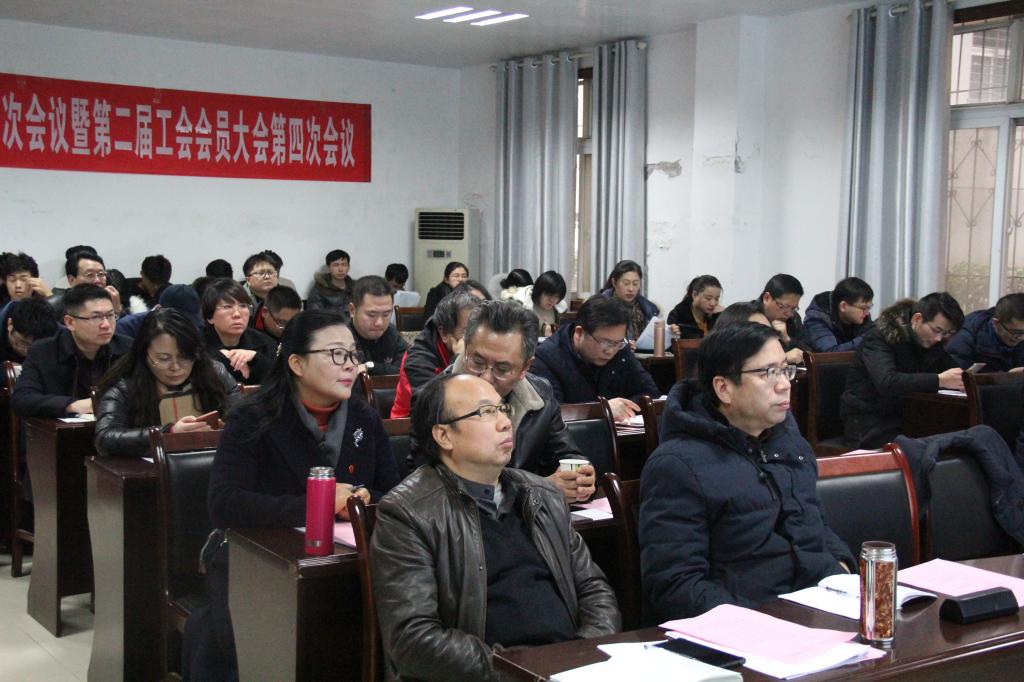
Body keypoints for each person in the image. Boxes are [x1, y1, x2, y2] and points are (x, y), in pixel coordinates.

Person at [372, 373, 620, 681]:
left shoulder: (542, 495)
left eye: (503, 409)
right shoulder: (408, 512)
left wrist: (582, 656)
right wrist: (520, 671)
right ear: (444, 436)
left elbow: (595, 591)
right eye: (486, 412)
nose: (505, 422)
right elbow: (414, 640)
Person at [198, 310, 401, 679]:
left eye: (353, 354)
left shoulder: (363, 416)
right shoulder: (252, 417)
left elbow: (392, 491)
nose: (350, 365)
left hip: (347, 564)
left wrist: (365, 498)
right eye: (336, 354)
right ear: (296, 363)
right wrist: (318, 505)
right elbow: (224, 504)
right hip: (259, 564)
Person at [639, 322, 854, 620]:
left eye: (785, 370)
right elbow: (676, 585)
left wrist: (842, 571)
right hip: (749, 623)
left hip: (816, 607)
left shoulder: (790, 443)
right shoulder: (677, 466)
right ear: (724, 388)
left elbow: (816, 525)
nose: (785, 384)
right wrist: (759, 623)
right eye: (768, 373)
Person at [445, 300, 594, 502]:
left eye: (502, 369)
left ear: (525, 368)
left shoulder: (540, 396)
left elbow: (566, 454)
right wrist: (540, 489)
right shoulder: (436, 398)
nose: (486, 377)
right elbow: (435, 489)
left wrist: (580, 477)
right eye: (477, 362)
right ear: (465, 351)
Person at [94, 308, 240, 457]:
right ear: (144, 354)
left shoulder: (214, 373)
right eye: (164, 359)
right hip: (150, 468)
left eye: (185, 357)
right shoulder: (124, 385)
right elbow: (105, 439)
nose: (175, 367)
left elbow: (243, 419)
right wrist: (167, 433)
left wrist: (227, 428)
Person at [841, 292, 965, 449]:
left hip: (907, 417)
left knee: (956, 438)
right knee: (927, 448)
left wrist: (962, 379)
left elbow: (950, 369)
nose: (939, 338)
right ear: (917, 319)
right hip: (868, 422)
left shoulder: (931, 342)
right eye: (936, 330)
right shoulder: (880, 337)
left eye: (946, 333)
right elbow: (887, 382)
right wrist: (939, 380)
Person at [529, 295, 659, 422]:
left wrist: (623, 409)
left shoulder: (620, 349)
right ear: (579, 333)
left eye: (617, 343)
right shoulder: (547, 358)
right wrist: (602, 410)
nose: (610, 351)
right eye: (604, 342)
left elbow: (650, 393)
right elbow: (551, 415)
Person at [12, 284, 132, 417]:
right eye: (96, 317)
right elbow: (22, 399)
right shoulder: (44, 351)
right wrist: (73, 405)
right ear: (70, 322)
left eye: (110, 315)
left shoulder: (128, 349)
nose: (106, 325)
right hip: (66, 429)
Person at [390, 292, 481, 418]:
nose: (476, 339)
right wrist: (458, 361)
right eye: (468, 332)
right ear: (444, 333)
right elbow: (433, 408)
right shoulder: (417, 360)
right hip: (409, 425)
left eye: (478, 331)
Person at [200, 279, 277, 384]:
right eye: (227, 307)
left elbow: (280, 382)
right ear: (210, 317)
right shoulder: (196, 346)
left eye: (243, 306)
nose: (237, 314)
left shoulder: (265, 343)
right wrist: (222, 359)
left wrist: (255, 358)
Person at [947, 292, 1024, 372]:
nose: (1022, 338)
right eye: (1016, 332)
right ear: (996, 323)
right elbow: (958, 375)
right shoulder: (965, 338)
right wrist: (1007, 377)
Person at [348, 275, 408, 375]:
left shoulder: (391, 333)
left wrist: (370, 367)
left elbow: (408, 370)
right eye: (372, 315)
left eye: (386, 314)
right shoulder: (339, 337)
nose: (379, 323)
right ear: (352, 310)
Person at [803, 277, 875, 353]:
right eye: (863, 308)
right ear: (843, 306)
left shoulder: (862, 317)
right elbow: (830, 353)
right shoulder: (817, 318)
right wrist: (868, 338)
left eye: (869, 308)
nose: (867, 313)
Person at [48, 249, 123, 318]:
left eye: (101, 274)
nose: (97, 280)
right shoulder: (55, 308)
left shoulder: (112, 299)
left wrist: (116, 311)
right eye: (90, 275)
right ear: (71, 280)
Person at [116, 283, 205, 339]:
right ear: (159, 309)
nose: (182, 326)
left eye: (188, 321)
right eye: (177, 320)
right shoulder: (127, 328)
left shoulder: (197, 329)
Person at [601, 260, 659, 341]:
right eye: (626, 283)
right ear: (614, 283)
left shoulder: (648, 308)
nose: (631, 289)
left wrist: (668, 332)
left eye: (635, 284)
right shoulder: (601, 307)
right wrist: (626, 345)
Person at [755, 273, 808, 353]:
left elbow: (808, 353)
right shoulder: (747, 316)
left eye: (793, 308)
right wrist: (785, 357)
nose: (789, 314)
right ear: (767, 298)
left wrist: (787, 339)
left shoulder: (794, 318)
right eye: (784, 306)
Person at [0, 297, 59, 363]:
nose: (26, 351)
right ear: (10, 324)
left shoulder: (58, 336)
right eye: (23, 343)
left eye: (36, 346)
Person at [666, 275, 722, 339]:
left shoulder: (718, 316)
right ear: (694, 295)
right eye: (708, 298)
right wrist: (670, 332)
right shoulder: (677, 315)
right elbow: (670, 342)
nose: (713, 303)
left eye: (717, 299)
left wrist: (726, 315)